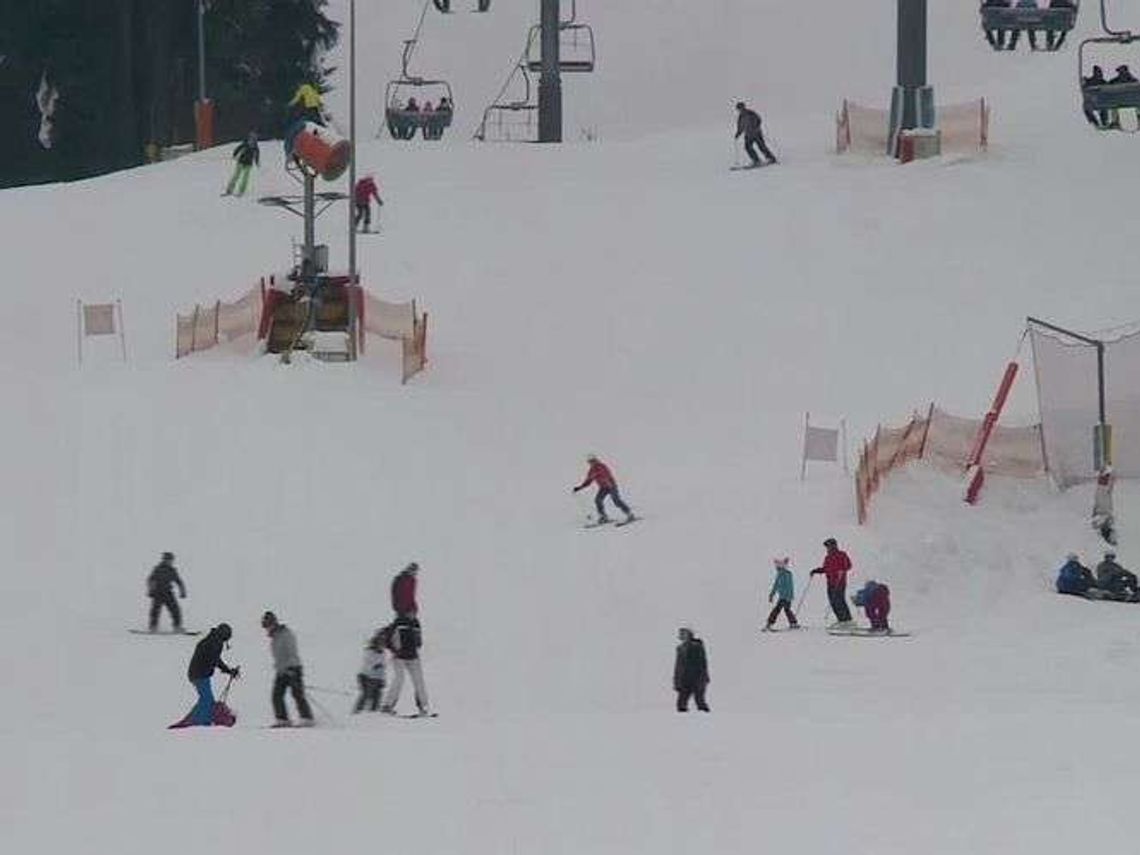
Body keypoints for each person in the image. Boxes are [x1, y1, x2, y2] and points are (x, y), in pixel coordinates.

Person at [261, 611, 314, 727]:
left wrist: (291, 669)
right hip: (281, 671)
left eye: (268, 625)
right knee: (276, 695)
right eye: (266, 626)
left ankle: (307, 718)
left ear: (274, 623)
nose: (267, 629)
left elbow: (292, 652)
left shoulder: (286, 634)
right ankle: (282, 719)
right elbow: (279, 656)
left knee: (297, 693)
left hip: (293, 668)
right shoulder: (274, 638)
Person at [186, 623, 239, 726]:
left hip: (198, 674)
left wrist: (228, 670)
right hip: (200, 675)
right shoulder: (215, 642)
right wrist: (228, 670)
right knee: (207, 700)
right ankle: (200, 722)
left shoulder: (212, 639)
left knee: (205, 699)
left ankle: (194, 719)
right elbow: (215, 660)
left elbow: (214, 659)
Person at [381, 614, 430, 716]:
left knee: (419, 681)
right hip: (399, 656)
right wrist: (395, 650)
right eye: (410, 611)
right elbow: (390, 639)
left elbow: (419, 641)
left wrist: (416, 646)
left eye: (414, 611)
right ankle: (387, 705)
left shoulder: (416, 623)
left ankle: (423, 706)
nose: (413, 613)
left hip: (413, 657)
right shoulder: (399, 622)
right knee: (399, 679)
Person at [572, 454, 635, 525]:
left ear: (596, 460)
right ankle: (603, 517)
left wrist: (608, 482)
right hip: (603, 488)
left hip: (611, 486)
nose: (592, 463)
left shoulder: (602, 466)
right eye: (590, 462)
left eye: (593, 461)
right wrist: (580, 487)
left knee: (616, 500)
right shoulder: (591, 470)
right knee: (598, 500)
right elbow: (588, 481)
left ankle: (629, 514)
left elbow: (606, 475)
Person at [810, 537, 854, 627]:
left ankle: (847, 620)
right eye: (827, 547)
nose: (828, 548)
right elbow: (826, 569)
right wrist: (816, 571)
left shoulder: (842, 554)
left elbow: (848, 565)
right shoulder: (828, 557)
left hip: (840, 582)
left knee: (839, 601)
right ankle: (841, 620)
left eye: (829, 546)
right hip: (830, 583)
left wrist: (843, 569)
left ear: (834, 545)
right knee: (833, 602)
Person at [147, 551, 186, 632]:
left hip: (168, 592)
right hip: (158, 593)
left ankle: (177, 626)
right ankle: (153, 627)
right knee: (155, 611)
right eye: (168, 560)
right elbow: (150, 580)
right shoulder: (158, 569)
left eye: (171, 560)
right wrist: (151, 590)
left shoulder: (172, 570)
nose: (170, 561)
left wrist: (182, 591)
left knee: (175, 610)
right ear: (164, 560)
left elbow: (178, 581)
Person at [673, 627, 710, 712]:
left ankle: (706, 719)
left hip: (697, 679)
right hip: (684, 680)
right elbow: (678, 667)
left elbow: (702, 664)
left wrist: (702, 679)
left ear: (690, 634)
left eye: (684, 633)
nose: (682, 635)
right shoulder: (680, 648)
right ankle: (683, 722)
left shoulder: (697, 646)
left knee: (700, 701)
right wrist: (677, 681)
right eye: (681, 634)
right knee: (681, 703)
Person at [354, 628, 388, 713]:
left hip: (378, 679)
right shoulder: (370, 652)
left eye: (383, 643)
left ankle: (373, 712)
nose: (382, 645)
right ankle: (358, 711)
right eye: (380, 643)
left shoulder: (383, 653)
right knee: (366, 695)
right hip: (367, 677)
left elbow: (383, 668)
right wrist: (375, 666)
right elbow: (367, 664)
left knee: (377, 696)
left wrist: (383, 679)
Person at [734, 101, 778, 167]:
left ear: (743, 107)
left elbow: (759, 120)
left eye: (740, 108)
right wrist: (738, 133)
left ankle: (771, 158)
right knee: (748, 147)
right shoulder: (740, 117)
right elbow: (740, 127)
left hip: (756, 134)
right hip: (748, 135)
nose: (740, 110)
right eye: (738, 109)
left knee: (761, 146)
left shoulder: (751, 113)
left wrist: (756, 126)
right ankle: (756, 160)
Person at [764, 557, 799, 631]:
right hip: (784, 597)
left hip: (785, 597)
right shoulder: (781, 574)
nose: (777, 568)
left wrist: (787, 596)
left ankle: (769, 623)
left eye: (778, 567)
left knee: (777, 609)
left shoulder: (786, 574)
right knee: (787, 610)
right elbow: (776, 585)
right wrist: (771, 594)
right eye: (776, 567)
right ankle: (793, 622)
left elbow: (788, 587)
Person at [223, 131, 260, 197]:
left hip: (248, 164)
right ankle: (229, 190)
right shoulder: (244, 144)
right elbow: (237, 149)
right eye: (251, 139)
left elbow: (256, 155)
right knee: (235, 176)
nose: (252, 141)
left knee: (245, 178)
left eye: (254, 139)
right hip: (241, 162)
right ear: (249, 138)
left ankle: (241, 191)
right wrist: (234, 155)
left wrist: (257, 162)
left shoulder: (255, 147)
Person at [1091, 466, 1117, 545]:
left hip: (1105, 515)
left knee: (1106, 527)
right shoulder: (1100, 489)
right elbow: (1097, 501)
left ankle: (1108, 540)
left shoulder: (1106, 489)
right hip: (1101, 515)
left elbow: (1111, 481)